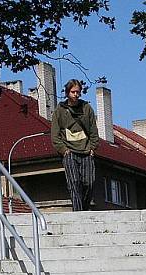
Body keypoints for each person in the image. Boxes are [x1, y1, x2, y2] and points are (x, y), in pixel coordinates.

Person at [50, 79, 100, 211]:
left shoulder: (87, 108)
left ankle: (84, 207)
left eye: (78, 92)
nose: (76, 94)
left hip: (86, 151)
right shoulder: (60, 110)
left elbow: (93, 130)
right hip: (69, 152)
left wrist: (92, 148)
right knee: (74, 182)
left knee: (89, 182)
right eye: (73, 92)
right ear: (67, 93)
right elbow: (55, 134)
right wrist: (63, 150)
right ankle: (78, 211)